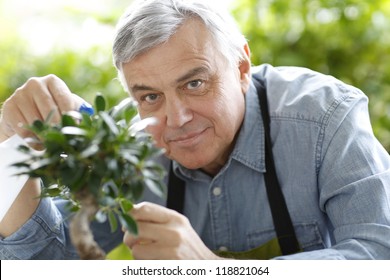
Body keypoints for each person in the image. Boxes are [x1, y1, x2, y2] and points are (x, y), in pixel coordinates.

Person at [1, 0, 390, 260]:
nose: (177, 117)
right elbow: (46, 258)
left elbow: (378, 252)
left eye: (194, 84)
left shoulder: (324, 116)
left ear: (241, 68)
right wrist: (9, 146)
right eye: (150, 96)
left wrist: (212, 268)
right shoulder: (125, 143)